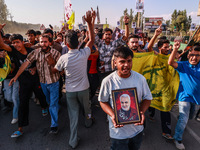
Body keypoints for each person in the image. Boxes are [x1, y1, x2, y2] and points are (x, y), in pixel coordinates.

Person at [49, 9, 96, 149]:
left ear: (66, 44)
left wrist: (52, 63)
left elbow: (55, 70)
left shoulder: (63, 58)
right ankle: (88, 122)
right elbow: (92, 39)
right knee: (87, 109)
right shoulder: (84, 53)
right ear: (78, 43)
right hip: (84, 90)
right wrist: (89, 23)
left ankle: (73, 141)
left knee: (73, 115)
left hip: (70, 91)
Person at [98, 46, 152, 150]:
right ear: (115, 63)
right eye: (122, 62)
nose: (126, 65)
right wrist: (113, 115)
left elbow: (147, 98)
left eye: (129, 61)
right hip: (118, 133)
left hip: (137, 131)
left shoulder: (140, 79)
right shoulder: (108, 81)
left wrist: (141, 112)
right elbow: (103, 101)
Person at [0, 24, 48, 138]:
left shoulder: (31, 50)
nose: (16, 44)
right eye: (14, 42)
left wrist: (35, 68)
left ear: (22, 42)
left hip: (35, 78)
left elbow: (39, 62)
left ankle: (44, 107)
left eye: (18, 42)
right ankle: (20, 128)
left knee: (40, 95)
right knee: (23, 103)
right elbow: (1, 44)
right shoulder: (13, 51)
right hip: (23, 81)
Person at [9, 34, 61, 135]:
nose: (43, 44)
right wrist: (16, 77)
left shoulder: (56, 53)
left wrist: (52, 64)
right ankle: (53, 109)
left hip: (54, 82)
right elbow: (25, 63)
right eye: (41, 42)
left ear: (50, 42)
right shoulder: (36, 52)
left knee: (53, 104)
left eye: (45, 42)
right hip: (43, 83)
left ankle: (54, 125)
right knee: (49, 101)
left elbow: (60, 70)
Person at [168, 43, 200, 150]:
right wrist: (175, 49)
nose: (194, 57)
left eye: (197, 55)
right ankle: (177, 138)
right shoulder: (183, 65)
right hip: (184, 97)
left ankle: (181, 118)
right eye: (192, 55)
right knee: (184, 118)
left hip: (197, 99)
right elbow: (170, 62)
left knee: (191, 116)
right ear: (188, 55)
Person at [147, 25, 173, 140]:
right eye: (166, 47)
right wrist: (156, 35)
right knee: (151, 105)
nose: (168, 49)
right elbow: (149, 48)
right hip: (154, 87)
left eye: (169, 47)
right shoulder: (156, 55)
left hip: (166, 88)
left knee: (165, 109)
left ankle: (166, 132)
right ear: (160, 48)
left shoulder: (170, 58)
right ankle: (151, 113)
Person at [97, 15, 129, 82]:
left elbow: (125, 37)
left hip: (112, 71)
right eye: (106, 34)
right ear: (103, 35)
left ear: (112, 35)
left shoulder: (115, 43)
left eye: (109, 34)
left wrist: (126, 24)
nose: (108, 36)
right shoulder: (99, 43)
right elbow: (91, 38)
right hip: (102, 71)